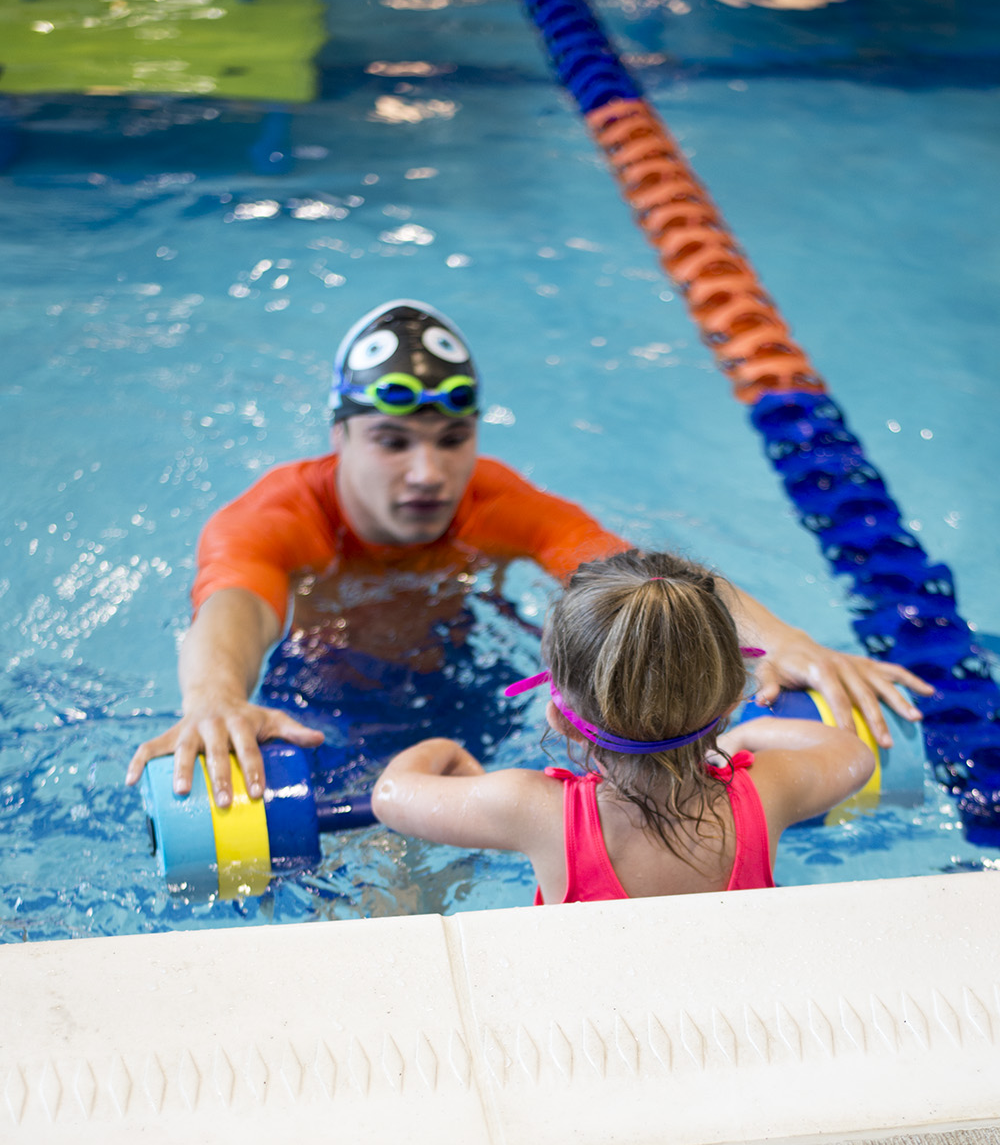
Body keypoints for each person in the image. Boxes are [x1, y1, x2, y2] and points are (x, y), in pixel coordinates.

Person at [125, 299, 929, 809]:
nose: (428, 472)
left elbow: (647, 579)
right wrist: (214, 697)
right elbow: (228, 607)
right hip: (315, 701)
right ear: (339, 438)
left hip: (468, 684)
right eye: (391, 441)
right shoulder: (276, 517)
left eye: (452, 440)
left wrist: (783, 640)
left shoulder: (496, 503)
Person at [370, 550, 876, 903]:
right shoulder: (767, 791)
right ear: (729, 705)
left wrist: (441, 750)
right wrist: (743, 738)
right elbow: (853, 755)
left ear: (560, 719)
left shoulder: (530, 810)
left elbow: (390, 796)